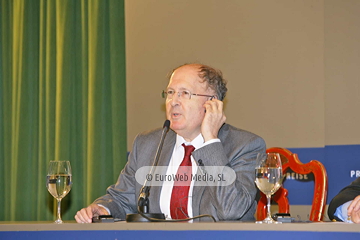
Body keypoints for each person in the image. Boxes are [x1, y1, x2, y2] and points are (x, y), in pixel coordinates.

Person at [75, 63, 266, 223]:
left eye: (184, 93)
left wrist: (210, 143)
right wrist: (101, 208)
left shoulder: (244, 146)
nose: (173, 101)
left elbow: (231, 210)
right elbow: (121, 198)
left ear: (212, 103)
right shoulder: (148, 144)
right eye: (170, 92)